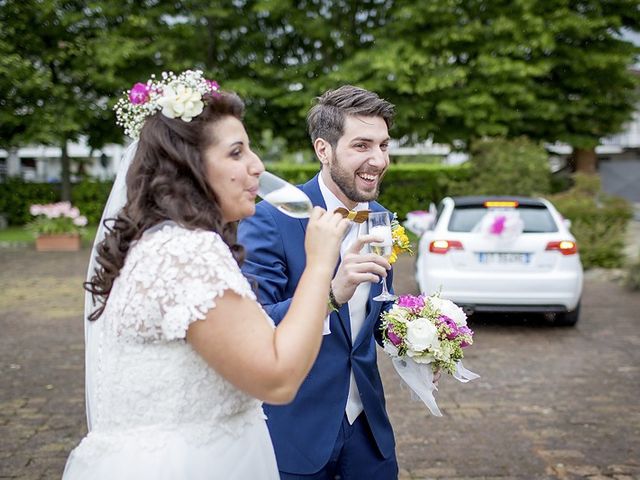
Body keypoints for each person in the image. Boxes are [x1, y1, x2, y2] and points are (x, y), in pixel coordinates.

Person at [62, 70, 349, 480]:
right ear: (187, 168)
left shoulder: (161, 243)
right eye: (236, 153)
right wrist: (320, 265)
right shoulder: (185, 251)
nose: (257, 166)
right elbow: (278, 378)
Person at [238, 85, 398, 479]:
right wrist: (331, 293)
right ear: (323, 149)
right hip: (296, 430)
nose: (378, 160)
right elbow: (252, 325)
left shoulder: (381, 218)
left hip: (369, 435)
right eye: (362, 145)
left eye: (384, 145)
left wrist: (417, 333)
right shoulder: (270, 219)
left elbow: (373, 314)